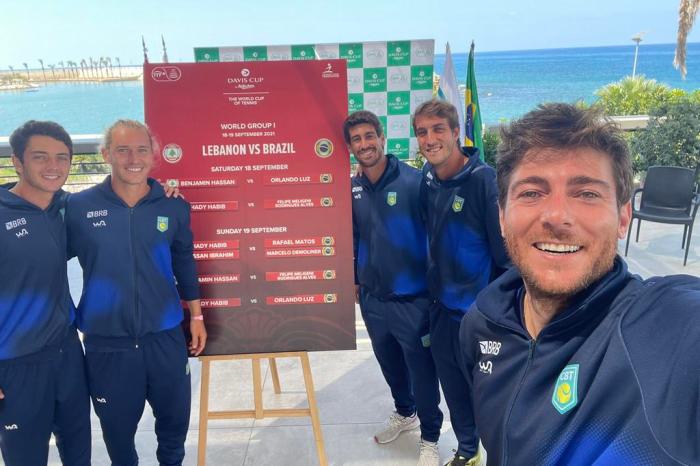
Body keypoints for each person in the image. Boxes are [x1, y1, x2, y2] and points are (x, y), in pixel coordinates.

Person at [459, 103, 700, 465]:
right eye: (531, 192)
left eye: (586, 193)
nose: (557, 216)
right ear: (502, 218)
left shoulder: (667, 330)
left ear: (622, 218)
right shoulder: (481, 324)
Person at [66, 119, 206, 466]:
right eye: (123, 149)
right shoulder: (78, 208)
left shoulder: (172, 206)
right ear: (106, 154)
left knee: (174, 431)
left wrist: (197, 315)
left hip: (165, 340)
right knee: (118, 438)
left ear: (153, 156)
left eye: (141, 149)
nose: (133, 158)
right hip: (106, 345)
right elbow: (40, 259)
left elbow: (184, 262)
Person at [414, 100, 509, 466]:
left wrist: (498, 314)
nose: (430, 139)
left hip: (480, 317)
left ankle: (498, 455)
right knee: (453, 389)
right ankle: (468, 451)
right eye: (422, 132)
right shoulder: (428, 179)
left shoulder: (484, 181)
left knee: (488, 396)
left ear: (457, 132)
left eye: (438, 129)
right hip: (441, 311)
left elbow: (505, 258)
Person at [346, 111, 443, 466]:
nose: (364, 144)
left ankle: (431, 436)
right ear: (350, 147)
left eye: (369, 136)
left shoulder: (415, 182)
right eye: (356, 139)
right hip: (372, 300)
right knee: (389, 364)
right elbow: (355, 236)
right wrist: (357, 279)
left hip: (413, 300)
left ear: (382, 137)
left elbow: (437, 235)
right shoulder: (353, 187)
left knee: (422, 369)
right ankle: (406, 414)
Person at [0, 121, 91, 466]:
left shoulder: (66, 209)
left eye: (62, 158)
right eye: (40, 157)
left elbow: (117, 203)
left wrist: (166, 188)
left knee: (79, 454)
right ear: (18, 162)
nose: (53, 167)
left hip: (67, 354)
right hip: (14, 364)